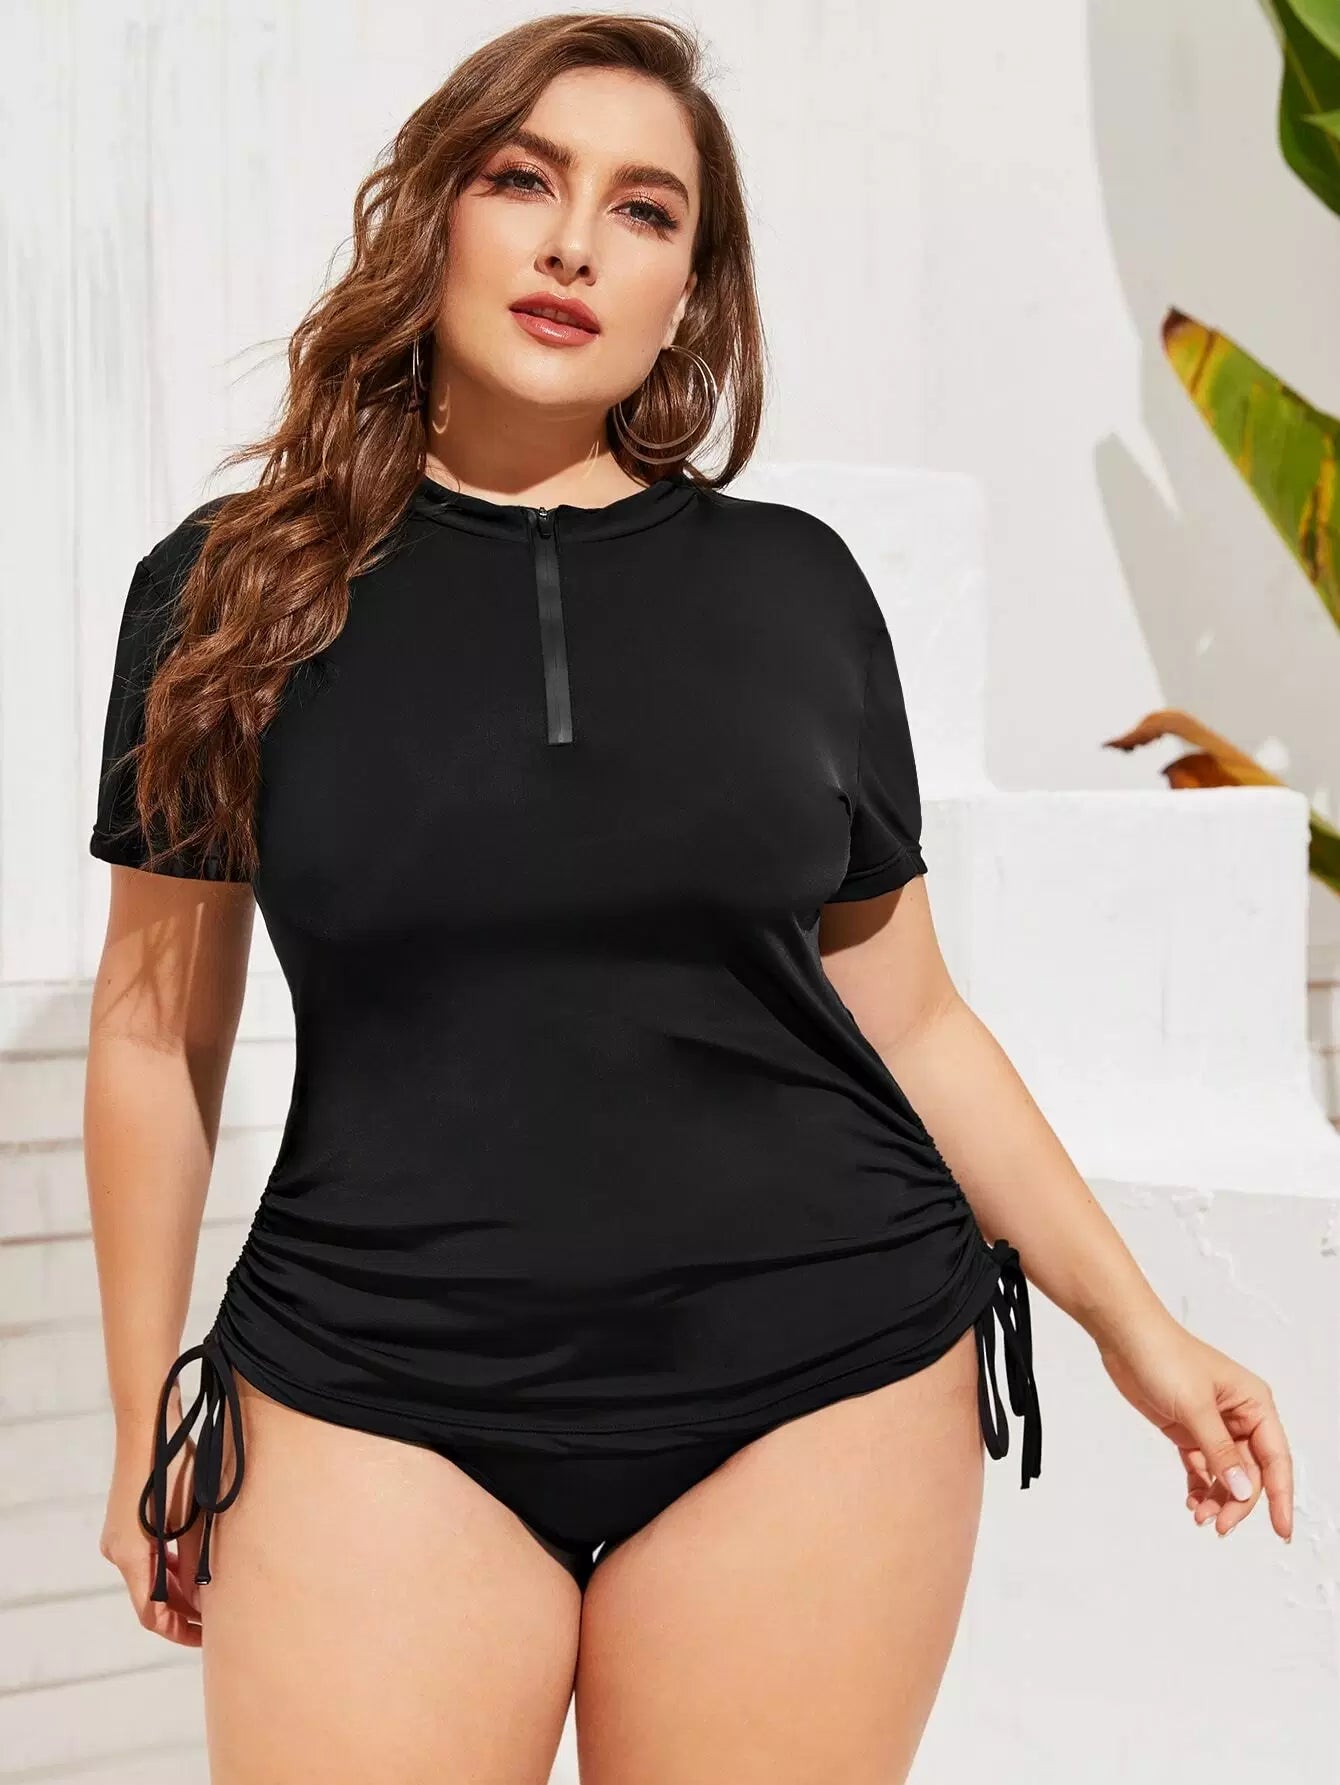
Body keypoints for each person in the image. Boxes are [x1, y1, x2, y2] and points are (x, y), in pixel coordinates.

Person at [84, 13, 1293, 1782]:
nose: (577, 242)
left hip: (822, 1379)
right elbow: (153, 1038)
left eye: (644, 209)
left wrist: (1141, 1327)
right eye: (526, 180)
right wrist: (141, 1423)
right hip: (370, 1382)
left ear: (690, 295)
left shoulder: (799, 592)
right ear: (435, 215)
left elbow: (914, 1017)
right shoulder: (227, 594)